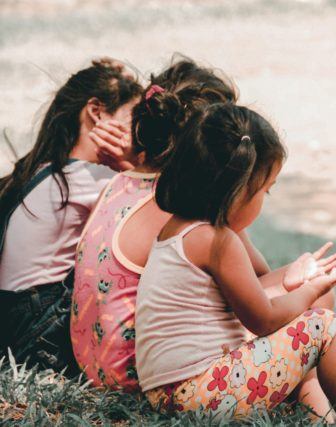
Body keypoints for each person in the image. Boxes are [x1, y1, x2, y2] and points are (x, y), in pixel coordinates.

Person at [135, 103, 336, 425]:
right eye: (265, 190)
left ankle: (320, 418)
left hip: (170, 392)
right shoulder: (217, 241)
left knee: (315, 308)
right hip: (201, 393)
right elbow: (262, 319)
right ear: (237, 190)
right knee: (323, 326)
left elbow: (240, 294)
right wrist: (311, 291)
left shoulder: (180, 229)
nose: (265, 199)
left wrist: (291, 280)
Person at [70, 57, 237, 390]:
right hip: (140, 373)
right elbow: (250, 291)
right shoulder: (177, 207)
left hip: (93, 364)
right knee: (310, 307)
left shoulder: (115, 183)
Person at [0, 58, 142, 375]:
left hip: (14, 323)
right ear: (96, 111)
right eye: (132, 117)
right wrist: (131, 166)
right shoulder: (91, 179)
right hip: (40, 333)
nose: (136, 132)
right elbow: (157, 213)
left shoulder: (42, 168)